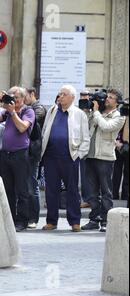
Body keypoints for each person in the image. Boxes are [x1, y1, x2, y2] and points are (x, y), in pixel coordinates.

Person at [40, 85, 90, 232]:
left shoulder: (79, 114)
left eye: (64, 94)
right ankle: (51, 221)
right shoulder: (52, 110)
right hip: (51, 157)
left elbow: (85, 138)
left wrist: (78, 155)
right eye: (60, 94)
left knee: (72, 190)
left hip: (70, 157)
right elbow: (45, 131)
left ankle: (75, 221)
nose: (60, 96)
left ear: (72, 98)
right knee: (51, 190)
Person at [0, 87, 35, 232]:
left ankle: (22, 220)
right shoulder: (6, 111)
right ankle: (10, 218)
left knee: (22, 189)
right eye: (11, 97)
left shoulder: (28, 111)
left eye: (16, 98)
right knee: (8, 189)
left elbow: (22, 128)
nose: (14, 100)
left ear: (23, 99)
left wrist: (13, 112)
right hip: (5, 154)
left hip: (20, 154)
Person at [81, 89, 126, 232]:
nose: (107, 99)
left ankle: (106, 221)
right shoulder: (98, 113)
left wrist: (96, 112)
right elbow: (88, 126)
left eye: (111, 98)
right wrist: (89, 112)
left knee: (106, 191)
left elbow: (106, 127)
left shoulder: (119, 116)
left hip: (105, 157)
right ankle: (94, 219)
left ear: (117, 102)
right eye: (107, 97)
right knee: (92, 191)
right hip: (91, 155)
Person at [24, 88, 46, 229]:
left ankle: (33, 217)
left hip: (33, 152)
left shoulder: (38, 109)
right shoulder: (28, 108)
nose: (23, 99)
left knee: (32, 186)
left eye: (24, 96)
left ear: (32, 95)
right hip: (24, 152)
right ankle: (25, 215)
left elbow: (31, 121)